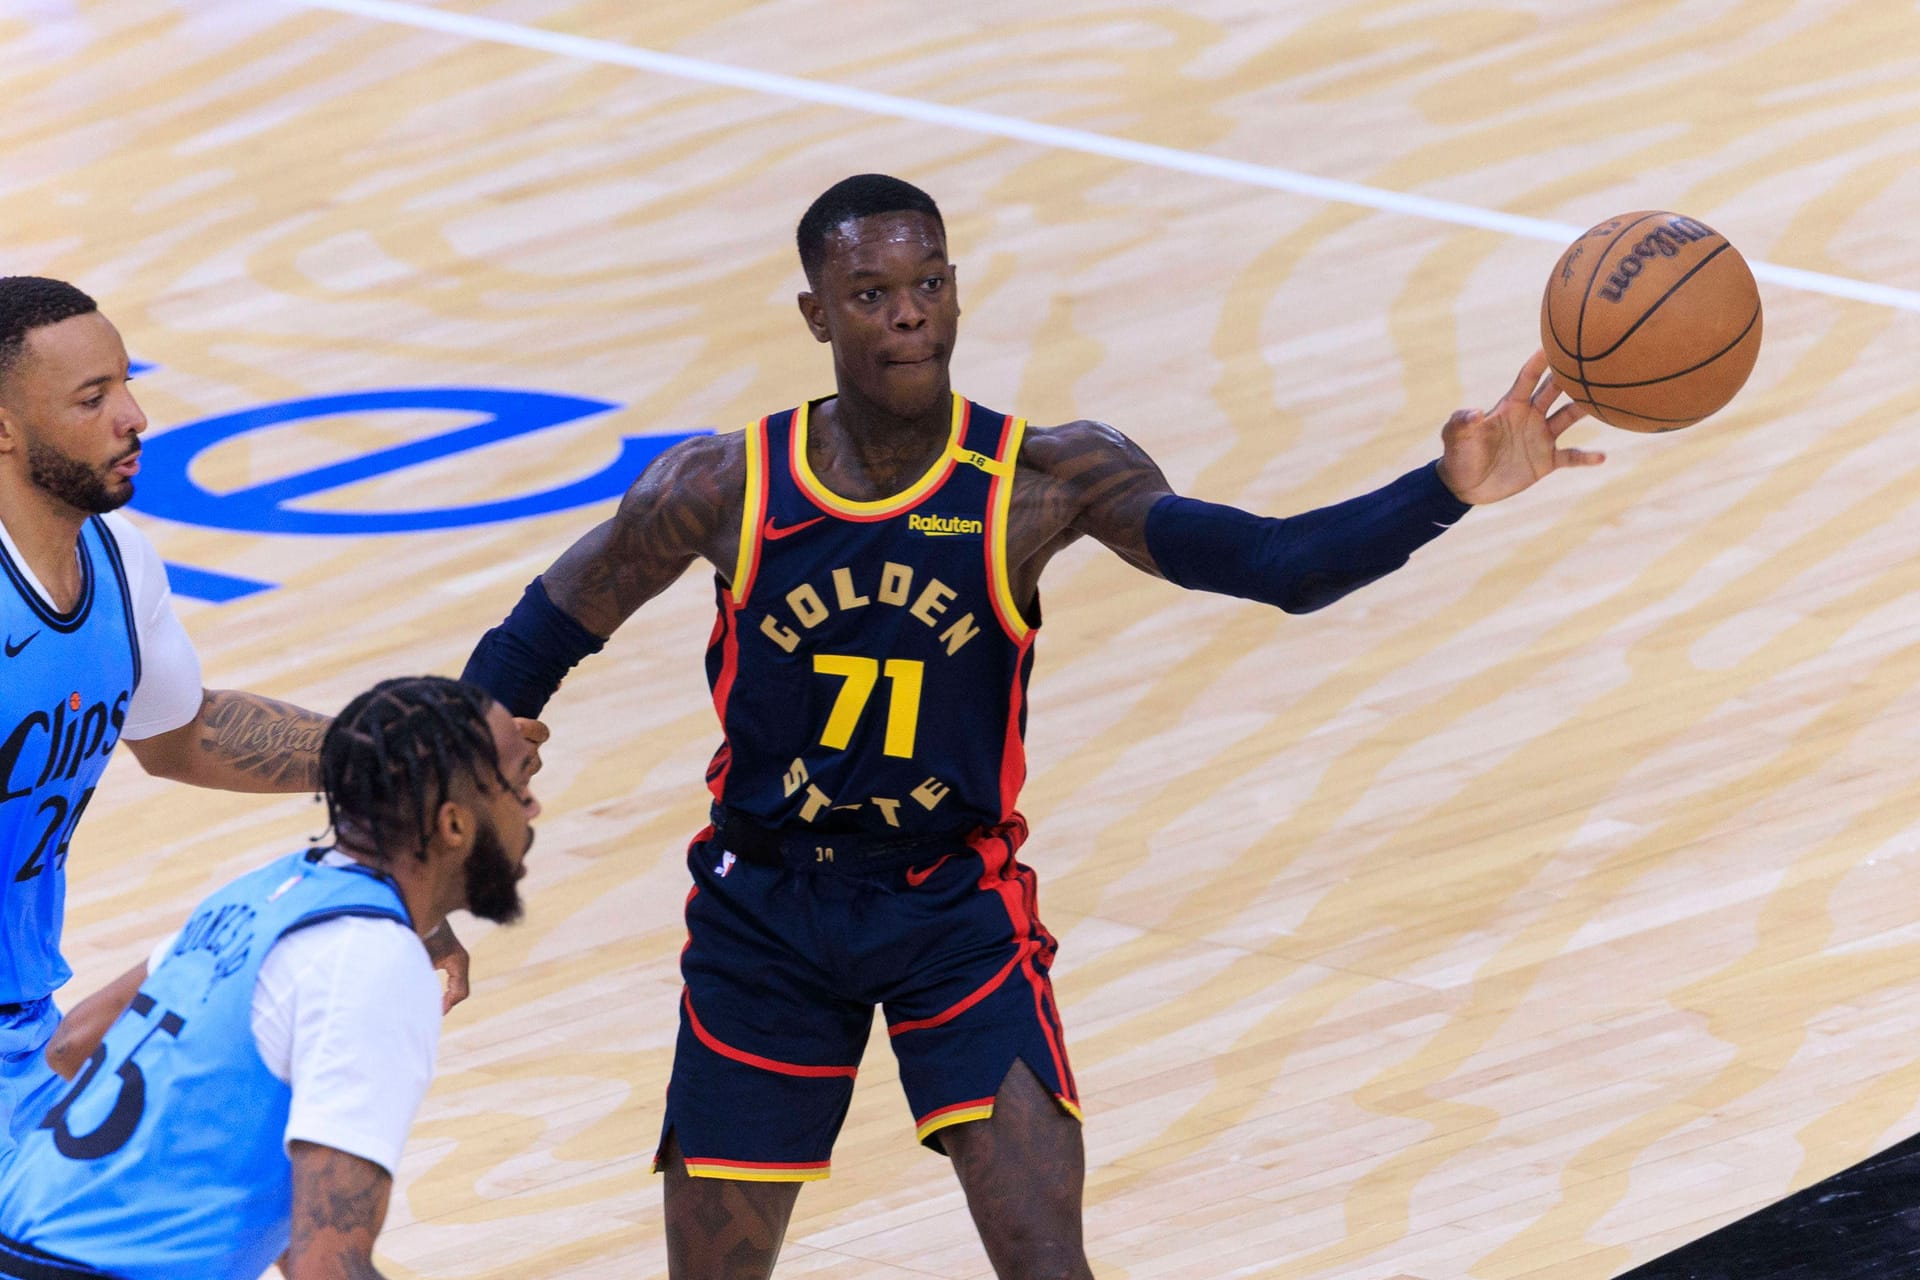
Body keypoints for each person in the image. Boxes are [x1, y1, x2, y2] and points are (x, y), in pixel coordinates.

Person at [460, 173, 1603, 1279]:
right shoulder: (725, 487)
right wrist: (458, 815)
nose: (908, 312)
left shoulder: (1045, 479)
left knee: (1049, 1261)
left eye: (930, 283)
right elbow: (532, 642)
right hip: (766, 914)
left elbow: (1277, 566)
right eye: (870, 294)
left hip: (952, 906)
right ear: (815, 314)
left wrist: (1444, 490)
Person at [0, 277, 473, 1155]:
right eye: (93, 398)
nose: (134, 415)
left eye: (127, 383)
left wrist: (379, 756)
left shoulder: (118, 563)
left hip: (26, 1032)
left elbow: (183, 733)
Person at [0, 675, 541, 1280]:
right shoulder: (374, 961)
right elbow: (326, 1268)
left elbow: (77, 1039)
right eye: (520, 785)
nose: (533, 807)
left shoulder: (266, 892)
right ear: (453, 826)